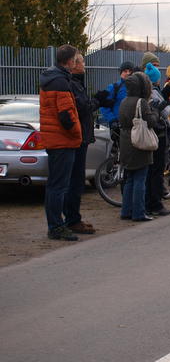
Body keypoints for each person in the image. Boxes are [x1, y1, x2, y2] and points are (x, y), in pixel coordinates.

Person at [39, 44, 83, 241]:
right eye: (76, 59)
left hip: (54, 139)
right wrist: (76, 133)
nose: (77, 62)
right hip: (62, 140)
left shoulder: (51, 78)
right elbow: (66, 114)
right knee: (59, 186)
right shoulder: (60, 82)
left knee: (54, 185)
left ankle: (56, 224)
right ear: (70, 61)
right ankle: (56, 226)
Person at [67, 52, 114, 234]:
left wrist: (96, 101)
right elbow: (83, 107)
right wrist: (97, 100)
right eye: (82, 62)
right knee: (75, 181)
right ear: (74, 64)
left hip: (82, 136)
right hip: (77, 137)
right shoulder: (72, 84)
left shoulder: (77, 83)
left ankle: (74, 218)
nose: (84, 65)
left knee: (77, 180)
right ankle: (72, 220)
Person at [118, 72, 158, 222]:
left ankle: (126, 211)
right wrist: (155, 112)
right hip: (139, 142)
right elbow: (151, 122)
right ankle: (139, 212)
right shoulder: (141, 102)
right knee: (140, 179)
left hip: (125, 141)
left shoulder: (124, 101)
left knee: (129, 178)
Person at [144, 61, 170, 217]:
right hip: (158, 134)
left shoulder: (148, 92)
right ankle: (155, 203)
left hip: (154, 134)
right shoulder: (152, 93)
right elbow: (165, 111)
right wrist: (168, 104)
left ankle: (150, 203)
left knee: (151, 171)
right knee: (156, 171)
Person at [100, 61, 134, 129]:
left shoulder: (137, 87)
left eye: (130, 71)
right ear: (121, 73)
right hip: (118, 126)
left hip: (134, 126)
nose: (128, 73)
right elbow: (103, 106)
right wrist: (112, 120)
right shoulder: (114, 87)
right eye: (125, 71)